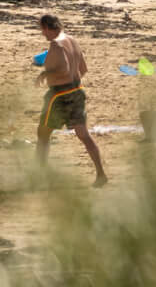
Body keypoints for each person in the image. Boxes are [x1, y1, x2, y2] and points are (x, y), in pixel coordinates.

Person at [35, 14, 107, 186]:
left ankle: (38, 178)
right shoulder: (72, 40)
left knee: (43, 134)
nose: (42, 34)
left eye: (42, 30)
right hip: (77, 91)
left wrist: (46, 73)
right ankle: (101, 174)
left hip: (59, 96)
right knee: (84, 135)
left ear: (46, 27)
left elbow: (65, 69)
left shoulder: (56, 44)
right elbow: (83, 69)